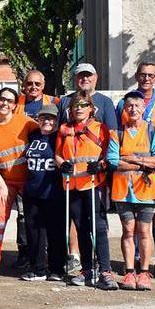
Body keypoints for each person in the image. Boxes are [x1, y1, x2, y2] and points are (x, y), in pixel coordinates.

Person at [116, 62, 155, 279]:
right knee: (132, 220)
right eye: (142, 75)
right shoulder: (125, 103)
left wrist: (152, 159)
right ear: (136, 76)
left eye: (150, 75)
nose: (146, 78)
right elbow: (117, 133)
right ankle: (136, 260)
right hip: (129, 173)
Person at [56, 97, 119, 290]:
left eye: (83, 105)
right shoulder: (64, 129)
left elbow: (109, 155)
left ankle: (105, 271)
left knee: (98, 228)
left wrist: (99, 165)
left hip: (93, 183)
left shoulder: (101, 128)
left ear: (91, 108)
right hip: (72, 184)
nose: (78, 109)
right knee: (81, 227)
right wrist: (62, 165)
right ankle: (87, 269)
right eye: (75, 106)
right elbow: (58, 154)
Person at [108, 91, 155, 290]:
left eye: (137, 106)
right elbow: (113, 161)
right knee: (127, 231)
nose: (133, 109)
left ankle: (144, 272)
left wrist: (132, 159)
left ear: (143, 108)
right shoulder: (118, 134)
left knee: (144, 231)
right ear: (124, 109)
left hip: (147, 192)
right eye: (129, 106)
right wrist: (143, 164)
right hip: (123, 191)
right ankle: (129, 272)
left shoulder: (153, 131)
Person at [0, 87, 38, 278]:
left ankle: (34, 262)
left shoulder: (26, 123)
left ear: (14, 105)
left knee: (32, 221)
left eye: (9, 101)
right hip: (4, 181)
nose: (5, 103)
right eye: (2, 99)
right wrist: (1, 185)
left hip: (29, 180)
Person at [20, 104, 67, 280]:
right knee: (34, 232)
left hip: (54, 193)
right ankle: (37, 268)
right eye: (43, 118)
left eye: (51, 118)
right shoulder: (32, 136)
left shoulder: (60, 138)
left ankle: (56, 269)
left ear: (56, 120)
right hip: (32, 192)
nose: (47, 121)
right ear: (38, 120)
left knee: (55, 232)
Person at [58, 63, 119, 129]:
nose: (85, 78)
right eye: (81, 75)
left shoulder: (106, 102)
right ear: (75, 78)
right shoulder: (64, 101)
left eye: (88, 75)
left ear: (96, 77)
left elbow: (112, 131)